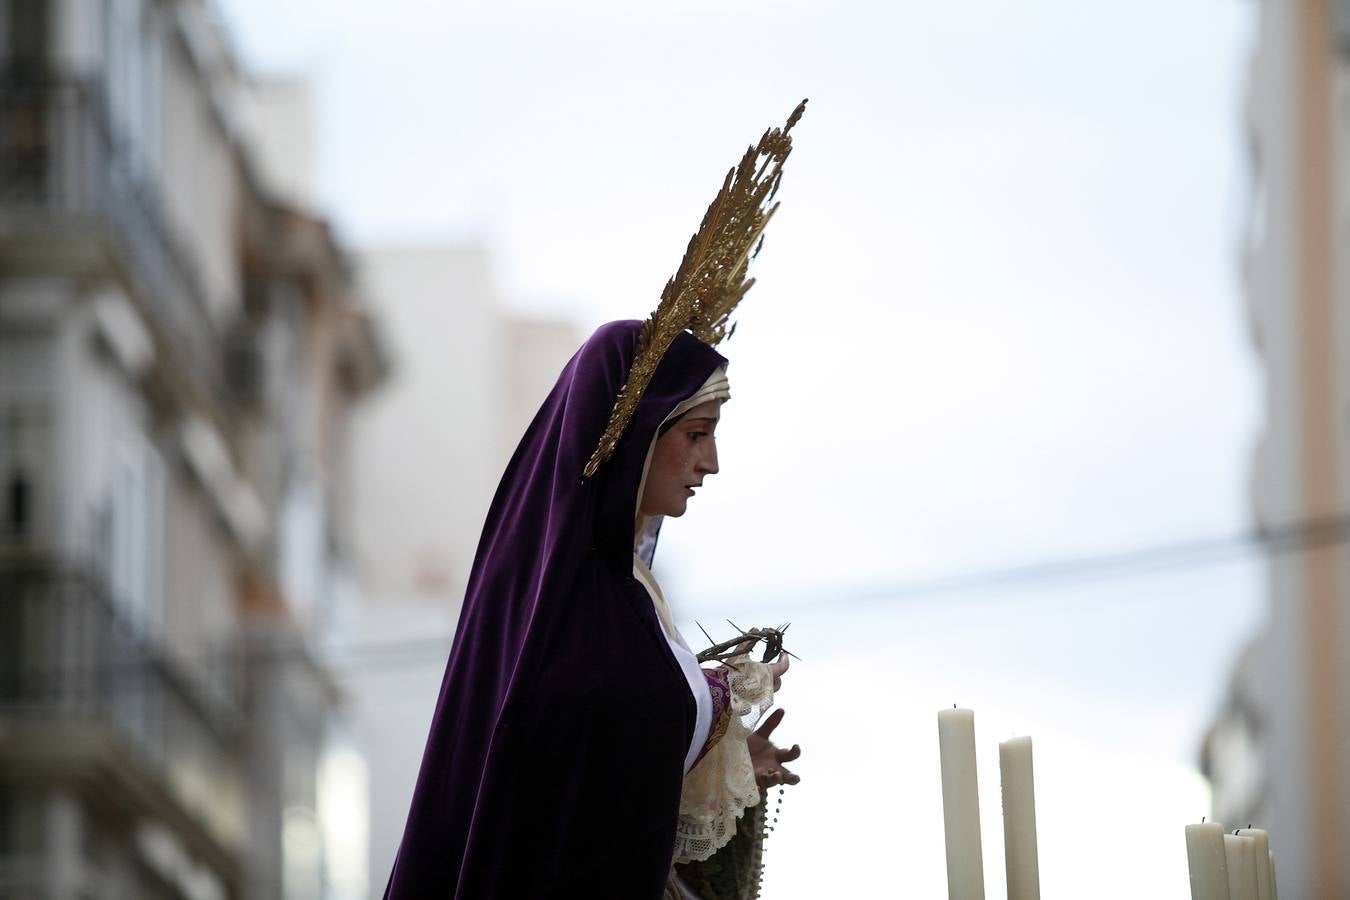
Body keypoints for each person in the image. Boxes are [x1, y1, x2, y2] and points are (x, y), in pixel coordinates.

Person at [384, 101, 807, 900]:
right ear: (638, 437)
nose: (711, 463)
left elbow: (613, 792)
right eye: (698, 433)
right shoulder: (572, 616)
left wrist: (725, 762)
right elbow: (585, 785)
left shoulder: (626, 599)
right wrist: (712, 721)